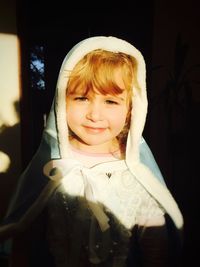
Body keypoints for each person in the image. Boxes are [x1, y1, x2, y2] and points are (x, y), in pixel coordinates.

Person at [0, 36, 183, 266]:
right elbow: (26, 233)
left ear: (131, 109)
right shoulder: (51, 164)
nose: (95, 115)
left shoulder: (136, 167)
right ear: (62, 102)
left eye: (111, 102)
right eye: (82, 97)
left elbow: (154, 240)